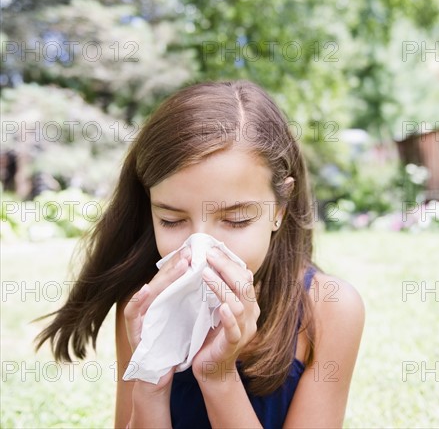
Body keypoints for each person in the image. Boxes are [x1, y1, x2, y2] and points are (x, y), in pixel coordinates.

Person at [35, 79, 365, 428]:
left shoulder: (329, 310)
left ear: (279, 209)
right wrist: (151, 380)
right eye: (172, 219)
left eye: (236, 220)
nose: (200, 249)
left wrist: (218, 377)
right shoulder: (145, 305)